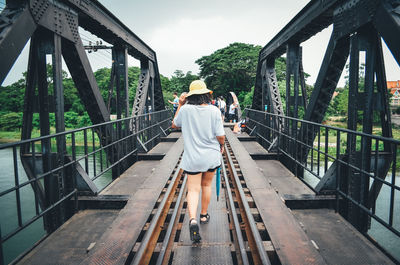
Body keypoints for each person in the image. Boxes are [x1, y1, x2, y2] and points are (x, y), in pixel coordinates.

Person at [172, 80, 225, 243]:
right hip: (210, 156)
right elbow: (220, 135)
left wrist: (180, 105)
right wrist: (222, 146)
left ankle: (192, 220)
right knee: (206, 185)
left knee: (193, 189)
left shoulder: (186, 110)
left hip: (192, 158)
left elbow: (174, 125)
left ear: (190, 96)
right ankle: (203, 216)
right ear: (206, 94)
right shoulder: (214, 110)